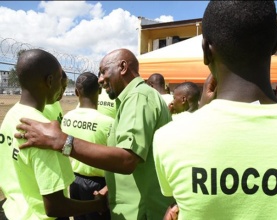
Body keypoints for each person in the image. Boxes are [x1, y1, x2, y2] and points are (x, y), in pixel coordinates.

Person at [152, 1, 277, 219]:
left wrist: (203, 111)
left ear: (206, 50)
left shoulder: (169, 138)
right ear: (276, 44)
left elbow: (184, 202)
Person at [14, 48, 174, 220]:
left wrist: (62, 141)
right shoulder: (133, 99)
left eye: (104, 71)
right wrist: (112, 186)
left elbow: (127, 159)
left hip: (142, 211)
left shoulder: (138, 98)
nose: (100, 79)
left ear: (123, 67)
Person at [0, 49, 107, 220]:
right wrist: (98, 204)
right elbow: (54, 207)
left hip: (13, 211)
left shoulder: (12, 115)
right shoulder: (43, 134)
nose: (62, 87)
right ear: (50, 81)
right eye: (60, 80)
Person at [62, 71, 113, 220]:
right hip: (100, 186)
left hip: (74, 181)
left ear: (77, 92)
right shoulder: (109, 123)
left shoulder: (67, 118)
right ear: (99, 90)